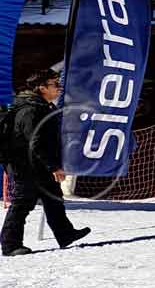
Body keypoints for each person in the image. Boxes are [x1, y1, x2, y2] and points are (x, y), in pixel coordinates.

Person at [1, 70, 90, 256]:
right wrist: (53, 166)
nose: (58, 88)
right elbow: (35, 142)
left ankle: (65, 234)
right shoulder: (30, 110)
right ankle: (10, 245)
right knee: (22, 203)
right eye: (54, 84)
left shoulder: (42, 106)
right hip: (25, 165)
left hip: (37, 164)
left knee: (53, 198)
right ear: (41, 88)